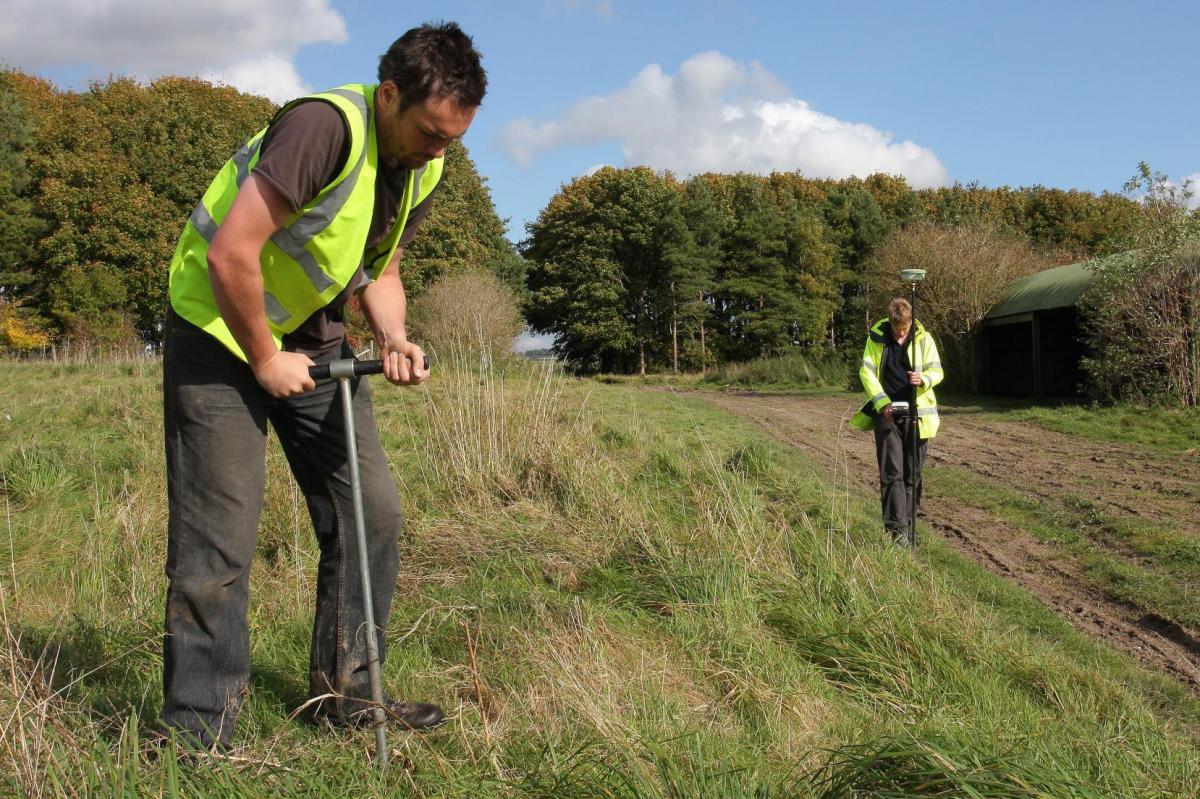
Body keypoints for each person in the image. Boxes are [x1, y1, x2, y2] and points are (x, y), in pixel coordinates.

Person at [160, 22, 487, 749]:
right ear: (390, 94)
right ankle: (196, 732)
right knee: (219, 543)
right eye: (430, 133)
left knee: (371, 512)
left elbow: (381, 268)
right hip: (219, 335)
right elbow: (231, 252)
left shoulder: (423, 166)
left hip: (312, 344)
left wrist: (394, 337)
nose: (439, 151)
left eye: (452, 140)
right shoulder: (322, 128)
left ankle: (349, 696)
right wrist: (263, 355)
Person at [850, 298, 943, 546]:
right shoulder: (876, 339)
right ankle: (896, 531)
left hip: (918, 416)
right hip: (887, 415)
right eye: (896, 328)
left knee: (913, 473)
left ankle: (910, 526)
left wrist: (923, 379)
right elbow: (866, 372)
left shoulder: (924, 339)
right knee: (892, 473)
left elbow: (937, 371)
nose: (901, 333)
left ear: (911, 321)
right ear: (890, 322)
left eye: (905, 328)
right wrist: (882, 403)